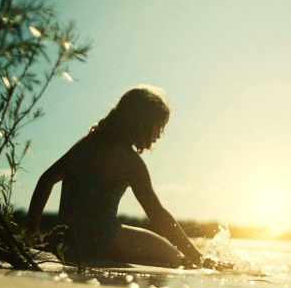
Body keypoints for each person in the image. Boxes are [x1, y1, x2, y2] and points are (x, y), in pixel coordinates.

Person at [25, 85, 209, 269]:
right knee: (179, 259)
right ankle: (200, 263)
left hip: (69, 242)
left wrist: (31, 231)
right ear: (143, 122)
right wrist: (196, 256)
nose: (159, 135)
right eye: (158, 127)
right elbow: (157, 214)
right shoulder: (130, 161)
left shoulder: (85, 145)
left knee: (161, 261)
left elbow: (45, 180)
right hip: (104, 239)